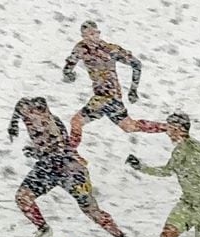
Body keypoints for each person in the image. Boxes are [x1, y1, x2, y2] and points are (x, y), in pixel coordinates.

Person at [7, 96, 133, 237]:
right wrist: (13, 124)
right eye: (27, 115)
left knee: (90, 209)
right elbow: (18, 108)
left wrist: (37, 152)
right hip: (48, 168)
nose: (29, 119)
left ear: (45, 112)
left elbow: (58, 150)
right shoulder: (28, 118)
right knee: (23, 198)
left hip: (69, 169)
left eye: (34, 114)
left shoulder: (51, 125)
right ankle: (43, 228)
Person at [62, 20, 166, 148]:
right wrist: (68, 73)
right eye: (87, 35)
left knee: (76, 121)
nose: (91, 37)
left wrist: (133, 89)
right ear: (83, 36)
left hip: (106, 97)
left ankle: (69, 153)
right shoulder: (81, 48)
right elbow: (69, 65)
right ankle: (168, 128)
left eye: (94, 33)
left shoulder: (110, 49)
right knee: (129, 126)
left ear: (98, 33)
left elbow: (136, 64)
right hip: (107, 96)